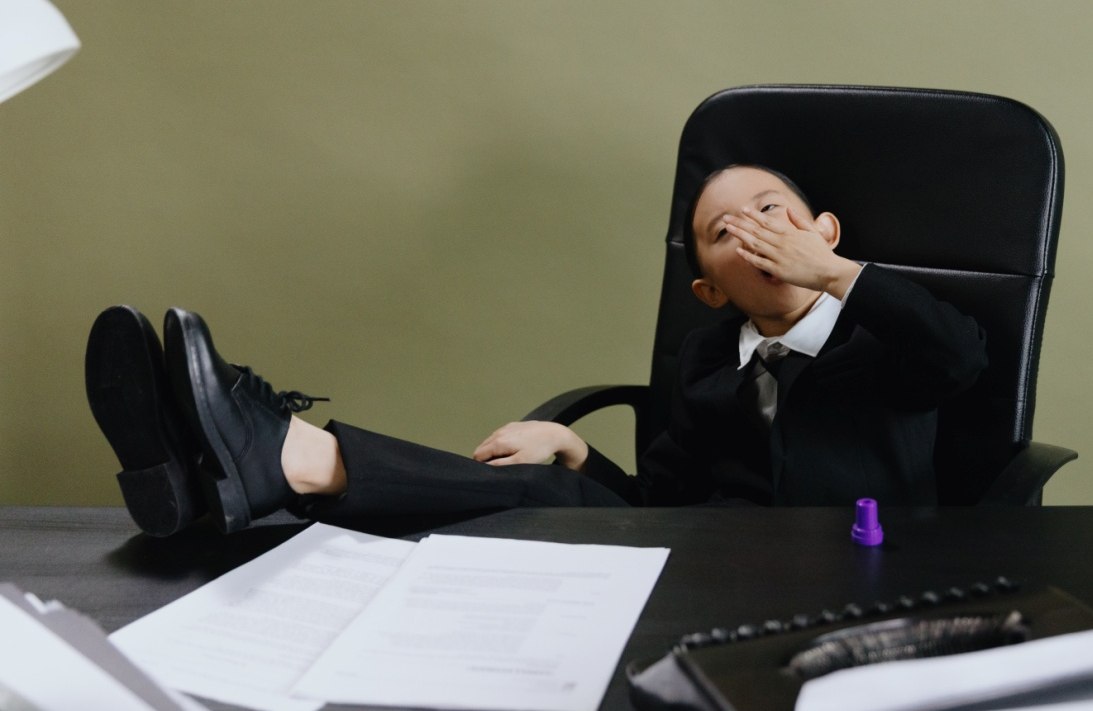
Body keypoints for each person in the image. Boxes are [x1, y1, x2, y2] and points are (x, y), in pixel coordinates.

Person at [86, 165, 987, 537]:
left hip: (850, 567)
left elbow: (957, 356)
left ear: (823, 230)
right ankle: (235, 475)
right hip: (705, 567)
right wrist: (580, 452)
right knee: (546, 492)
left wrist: (837, 275)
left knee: (540, 502)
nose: (752, 230)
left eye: (769, 210)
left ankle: (265, 465)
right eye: (722, 230)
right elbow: (658, 503)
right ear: (707, 287)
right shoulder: (711, 365)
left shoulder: (887, 336)